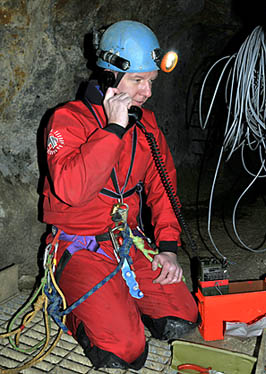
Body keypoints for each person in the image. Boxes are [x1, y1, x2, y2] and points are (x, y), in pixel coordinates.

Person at [42, 20, 199, 370]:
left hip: (126, 240)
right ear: (110, 77)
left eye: (151, 81)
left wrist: (169, 249)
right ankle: (74, 303)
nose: (147, 93)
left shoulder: (146, 124)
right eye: (138, 80)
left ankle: (119, 298)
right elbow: (72, 190)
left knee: (182, 317)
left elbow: (163, 188)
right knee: (124, 351)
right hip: (80, 246)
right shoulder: (67, 120)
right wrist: (113, 129)